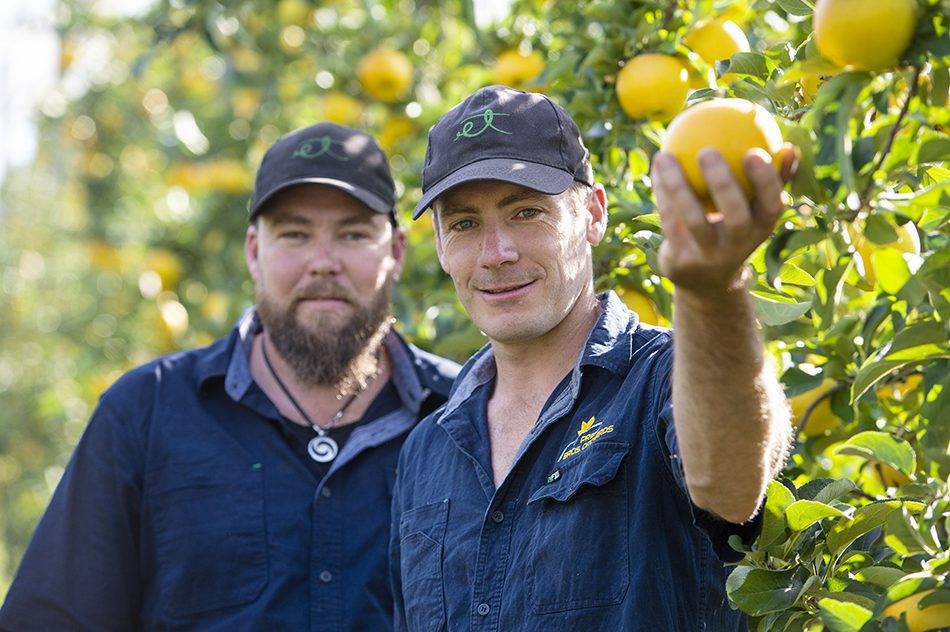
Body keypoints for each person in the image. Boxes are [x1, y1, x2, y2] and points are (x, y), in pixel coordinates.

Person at [0, 122, 459, 631]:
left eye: (353, 234)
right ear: (254, 252)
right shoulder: (144, 413)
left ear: (396, 253)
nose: (323, 263)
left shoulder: (465, 416)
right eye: (295, 234)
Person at [390, 85, 794, 630]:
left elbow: (733, 487)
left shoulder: (669, 377)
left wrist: (712, 293)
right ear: (440, 245)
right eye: (464, 224)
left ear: (593, 214)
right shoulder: (426, 449)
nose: (496, 253)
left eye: (527, 212)